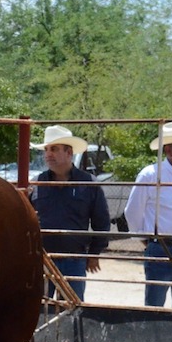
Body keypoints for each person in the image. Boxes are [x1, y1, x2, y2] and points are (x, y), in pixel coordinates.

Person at [124, 121, 172, 308]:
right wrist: (147, 239)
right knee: (155, 307)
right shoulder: (150, 175)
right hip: (161, 249)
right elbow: (132, 212)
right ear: (168, 150)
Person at [29, 125, 111, 301]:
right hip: (43, 260)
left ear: (69, 153)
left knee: (72, 306)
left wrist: (94, 253)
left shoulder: (89, 183)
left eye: (54, 149)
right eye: (46, 149)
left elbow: (102, 221)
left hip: (74, 259)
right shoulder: (36, 184)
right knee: (40, 307)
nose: (48, 154)